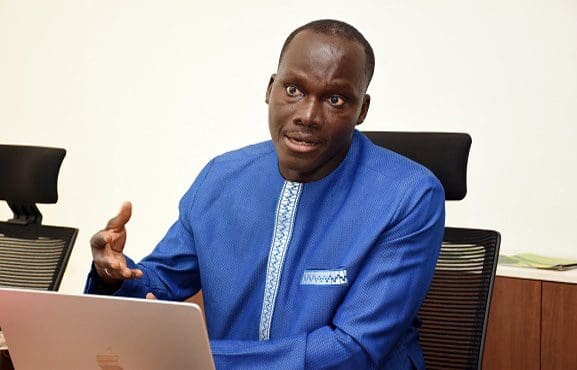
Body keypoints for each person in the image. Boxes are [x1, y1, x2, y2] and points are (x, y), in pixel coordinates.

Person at [85, 19, 445, 369]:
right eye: (294, 90)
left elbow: (354, 349)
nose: (308, 115)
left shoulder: (409, 196)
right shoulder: (221, 178)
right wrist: (114, 276)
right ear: (270, 89)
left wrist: (199, 358)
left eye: (335, 99)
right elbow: (160, 285)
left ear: (361, 110)